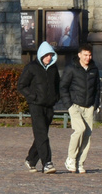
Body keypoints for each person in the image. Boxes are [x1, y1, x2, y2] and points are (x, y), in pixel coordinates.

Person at [18, 41, 62, 173]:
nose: (49, 57)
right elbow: (21, 86)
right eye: (47, 55)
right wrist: (33, 97)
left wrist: (56, 97)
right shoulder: (31, 67)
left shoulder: (53, 68)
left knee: (41, 135)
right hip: (36, 105)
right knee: (42, 133)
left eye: (51, 55)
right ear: (41, 55)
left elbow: (57, 84)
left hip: (49, 105)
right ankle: (47, 162)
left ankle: (31, 159)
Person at [58, 46, 101, 174]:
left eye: (89, 55)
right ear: (79, 55)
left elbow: (97, 88)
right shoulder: (71, 68)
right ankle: (70, 158)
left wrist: (95, 104)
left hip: (89, 106)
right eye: (85, 55)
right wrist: (69, 105)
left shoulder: (94, 69)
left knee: (87, 135)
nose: (88, 57)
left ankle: (80, 162)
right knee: (79, 129)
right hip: (75, 105)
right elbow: (63, 87)